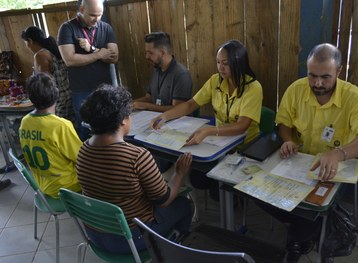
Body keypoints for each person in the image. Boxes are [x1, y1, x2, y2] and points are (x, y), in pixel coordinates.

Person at [271, 43, 358, 262]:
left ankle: (297, 240)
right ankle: (303, 231)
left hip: (335, 170)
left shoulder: (354, 97)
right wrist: (288, 140)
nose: (318, 83)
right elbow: (283, 123)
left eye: (326, 77)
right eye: (312, 76)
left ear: (339, 71)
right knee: (262, 195)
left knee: (312, 206)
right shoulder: (296, 90)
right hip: (298, 163)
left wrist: (339, 153)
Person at [77, 84, 193, 253]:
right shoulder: (137, 156)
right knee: (184, 204)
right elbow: (164, 199)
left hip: (95, 235)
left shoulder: (83, 150)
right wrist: (179, 172)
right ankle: (172, 251)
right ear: (124, 119)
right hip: (131, 240)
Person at [151, 39, 263, 199]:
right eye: (218, 62)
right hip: (218, 144)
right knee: (199, 180)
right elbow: (190, 105)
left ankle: (236, 202)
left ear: (239, 63)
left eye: (225, 63)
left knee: (220, 193)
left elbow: (242, 127)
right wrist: (164, 116)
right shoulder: (215, 81)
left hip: (245, 147)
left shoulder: (253, 87)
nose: (220, 68)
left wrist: (210, 130)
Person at [57, 0, 118, 141]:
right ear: (82, 9)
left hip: (105, 89)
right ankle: (87, 161)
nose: (96, 19)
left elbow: (114, 57)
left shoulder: (106, 28)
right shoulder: (67, 28)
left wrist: (92, 49)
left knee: (111, 127)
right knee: (85, 130)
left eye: (100, 15)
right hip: (81, 91)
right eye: (92, 15)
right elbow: (70, 60)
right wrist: (98, 54)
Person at [19, 72, 82, 199]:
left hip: (43, 186)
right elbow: (81, 157)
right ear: (56, 94)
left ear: (30, 98)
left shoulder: (25, 121)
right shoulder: (61, 126)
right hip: (68, 187)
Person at [21, 26, 74, 122]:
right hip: (68, 97)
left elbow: (44, 85)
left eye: (26, 43)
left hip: (57, 103)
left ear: (30, 41)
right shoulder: (54, 49)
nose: (27, 47)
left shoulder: (40, 55)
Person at [132, 32, 192, 112]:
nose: (147, 56)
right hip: (155, 118)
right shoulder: (157, 69)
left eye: (150, 53)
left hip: (175, 122)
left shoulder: (181, 74)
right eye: (146, 52)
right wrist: (131, 104)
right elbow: (149, 97)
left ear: (163, 52)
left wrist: (146, 106)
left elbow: (177, 109)